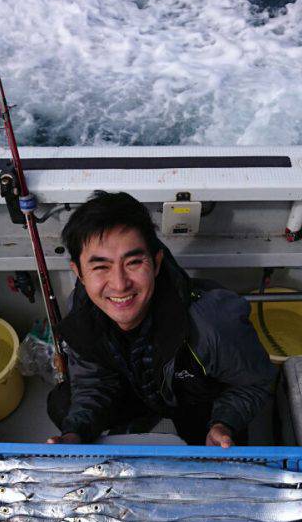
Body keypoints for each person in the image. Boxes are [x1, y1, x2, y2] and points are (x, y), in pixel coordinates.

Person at [47, 191, 276, 447]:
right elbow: (92, 383)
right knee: (62, 404)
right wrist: (75, 431)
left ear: (156, 264)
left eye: (133, 262)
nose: (120, 285)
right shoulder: (82, 312)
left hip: (194, 401)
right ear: (79, 273)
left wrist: (225, 422)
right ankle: (133, 426)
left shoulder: (213, 323)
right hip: (133, 391)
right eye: (100, 267)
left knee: (223, 449)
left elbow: (255, 382)